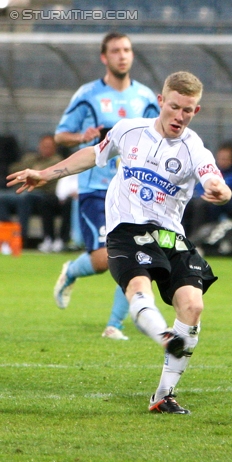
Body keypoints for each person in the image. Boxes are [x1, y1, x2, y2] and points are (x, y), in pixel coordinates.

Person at [8, 71, 232, 415]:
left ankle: (162, 396)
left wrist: (221, 190)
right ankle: (165, 338)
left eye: (188, 110)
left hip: (170, 235)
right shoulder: (129, 131)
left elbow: (212, 176)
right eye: (174, 107)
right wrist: (47, 174)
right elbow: (92, 155)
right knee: (138, 287)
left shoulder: (194, 148)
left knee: (193, 306)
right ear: (161, 102)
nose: (180, 116)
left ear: (196, 111)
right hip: (126, 229)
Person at [53, 31, 160, 341]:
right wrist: (82, 137)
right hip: (94, 188)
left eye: (127, 50)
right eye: (115, 51)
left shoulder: (146, 98)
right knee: (103, 260)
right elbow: (61, 135)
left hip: (131, 190)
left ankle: (114, 325)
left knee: (133, 255)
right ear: (104, 57)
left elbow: (158, 135)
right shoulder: (87, 94)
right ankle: (71, 271)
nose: (122, 55)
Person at [0, 134, 64, 247]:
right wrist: (30, 172)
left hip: (43, 193)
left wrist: (31, 172)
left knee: (25, 197)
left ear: (55, 148)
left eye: (49, 146)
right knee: (2, 197)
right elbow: (13, 169)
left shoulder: (57, 161)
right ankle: (10, 231)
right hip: (20, 190)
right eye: (44, 146)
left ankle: (21, 237)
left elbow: (48, 181)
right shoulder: (30, 157)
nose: (46, 148)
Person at [182, 140, 232, 236]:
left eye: (225, 159)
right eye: (219, 158)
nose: (221, 161)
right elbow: (199, 186)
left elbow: (219, 189)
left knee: (200, 205)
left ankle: (196, 237)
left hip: (217, 203)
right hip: (200, 198)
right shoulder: (210, 171)